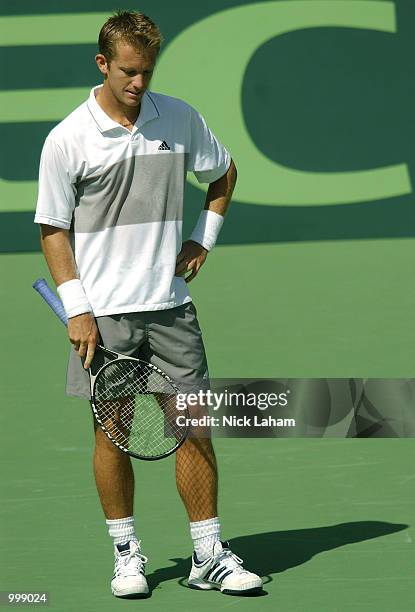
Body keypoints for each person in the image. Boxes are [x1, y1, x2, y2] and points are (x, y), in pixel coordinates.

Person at [34, 10, 262, 599]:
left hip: (170, 307)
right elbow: (53, 229)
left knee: (194, 427)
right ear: (103, 64)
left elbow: (225, 171)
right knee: (112, 433)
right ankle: (126, 553)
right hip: (105, 314)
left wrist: (201, 238)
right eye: (128, 72)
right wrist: (78, 307)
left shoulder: (179, 118)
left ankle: (208, 555)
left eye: (148, 73)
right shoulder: (67, 139)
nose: (139, 84)